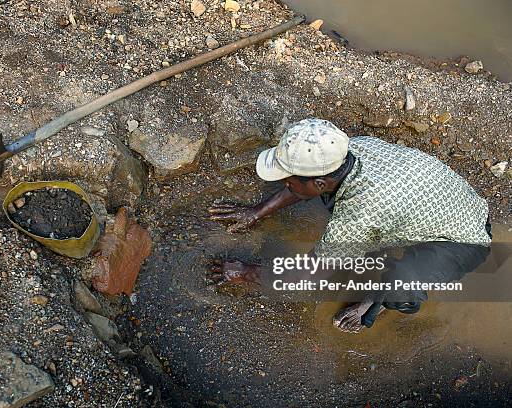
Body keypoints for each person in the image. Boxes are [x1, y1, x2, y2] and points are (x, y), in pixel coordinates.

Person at [208, 118, 492, 333]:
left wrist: (244, 273)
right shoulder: (348, 149)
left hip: (466, 238)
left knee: (400, 282)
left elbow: (310, 276)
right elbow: (304, 183)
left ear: (319, 182)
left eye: (287, 179)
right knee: (358, 237)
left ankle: (376, 303)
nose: (284, 183)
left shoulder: (362, 212)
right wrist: (256, 212)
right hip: (440, 203)